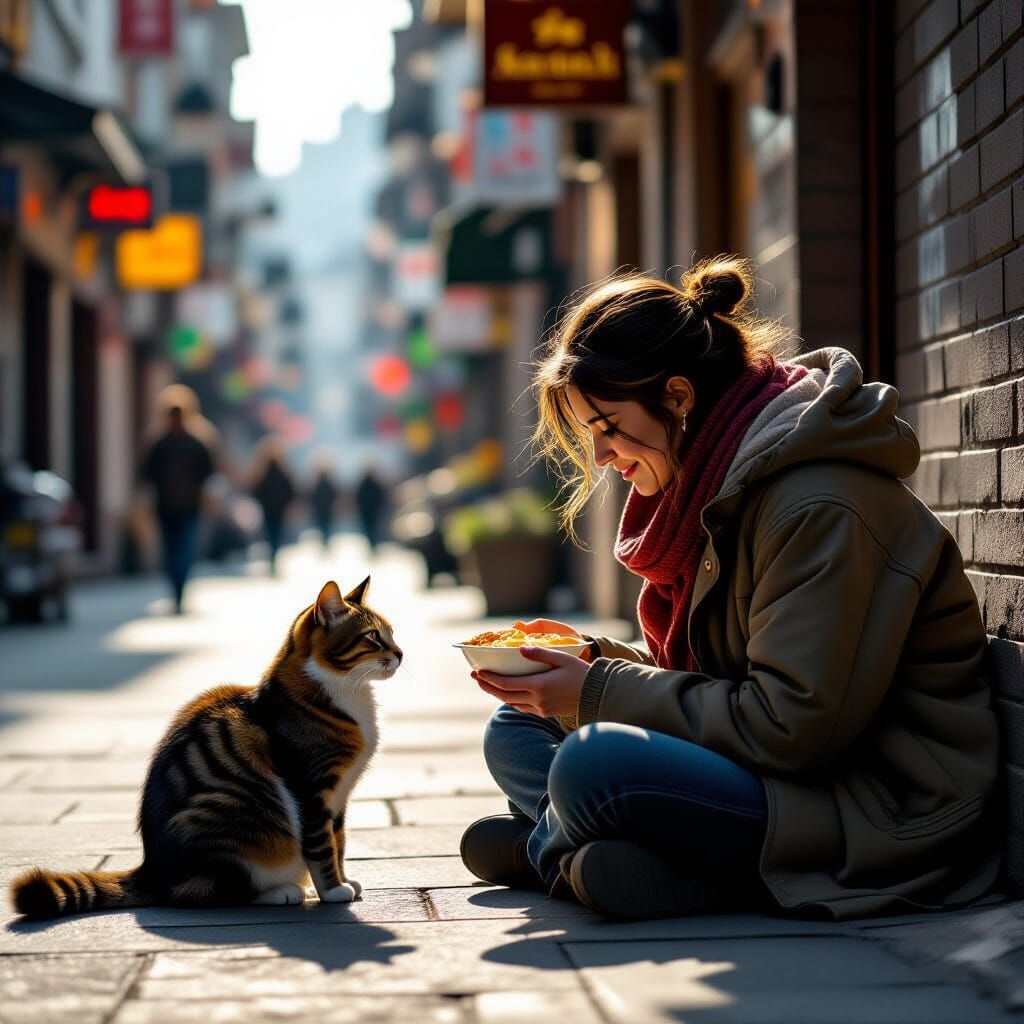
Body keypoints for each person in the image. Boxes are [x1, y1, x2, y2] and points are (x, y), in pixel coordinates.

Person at [459, 256, 1000, 923]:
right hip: (778, 777)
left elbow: (789, 729)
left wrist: (598, 691)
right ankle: (585, 849)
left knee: (590, 766)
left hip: (872, 806)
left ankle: (557, 849)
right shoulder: (721, 485)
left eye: (606, 426)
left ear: (680, 397)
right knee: (518, 722)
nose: (600, 458)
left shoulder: (819, 507)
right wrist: (589, 666)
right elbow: (716, 680)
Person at [140, 394, 215, 614]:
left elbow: (147, 474)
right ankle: (177, 590)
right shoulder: (172, 444)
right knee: (176, 551)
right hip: (172, 507)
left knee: (180, 551)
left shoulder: (166, 443)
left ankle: (178, 591)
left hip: (184, 507)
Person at [247, 436, 296, 575]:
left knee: (270, 535)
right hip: (277, 510)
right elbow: (291, 492)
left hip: (268, 509)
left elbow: (254, 490)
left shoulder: (262, 472)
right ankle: (273, 559)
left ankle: (272, 559)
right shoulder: (284, 472)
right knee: (276, 535)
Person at [309, 454, 339, 551]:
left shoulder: (317, 484)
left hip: (321, 509)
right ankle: (326, 543)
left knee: (323, 527)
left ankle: (325, 543)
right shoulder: (329, 483)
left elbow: (313, 497)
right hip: (325, 509)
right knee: (326, 526)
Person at [354, 466, 387, 554]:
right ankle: (373, 546)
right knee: (372, 529)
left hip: (368, 511)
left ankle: (372, 546)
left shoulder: (363, 484)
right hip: (371, 511)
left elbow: (358, 498)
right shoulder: (373, 484)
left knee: (370, 530)